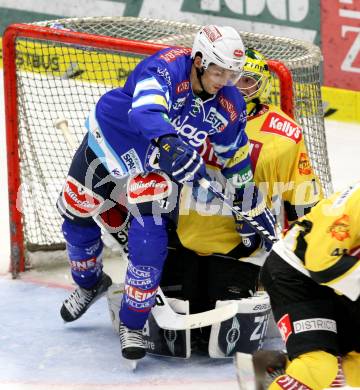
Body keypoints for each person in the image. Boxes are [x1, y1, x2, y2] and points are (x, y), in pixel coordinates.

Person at [56, 25, 276, 361]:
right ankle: (89, 283)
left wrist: (248, 202)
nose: (224, 82)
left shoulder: (229, 104)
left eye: (232, 75)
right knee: (76, 215)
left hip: (153, 169)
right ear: (199, 59)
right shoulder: (165, 67)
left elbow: (235, 155)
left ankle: (133, 322)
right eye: (218, 72)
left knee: (150, 242)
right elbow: (145, 111)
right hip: (111, 145)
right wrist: (170, 142)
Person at [159, 48, 323, 355]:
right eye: (229, 77)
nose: (234, 86)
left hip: (243, 250)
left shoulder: (283, 135)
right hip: (182, 237)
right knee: (174, 343)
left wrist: (307, 263)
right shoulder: (187, 109)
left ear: (261, 84)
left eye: (245, 80)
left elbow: (303, 201)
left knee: (222, 347)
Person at [260, 181, 360, 389]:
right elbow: (322, 264)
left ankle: (284, 366)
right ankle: (306, 363)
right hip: (295, 274)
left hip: (337, 282)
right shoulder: (356, 204)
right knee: (319, 367)